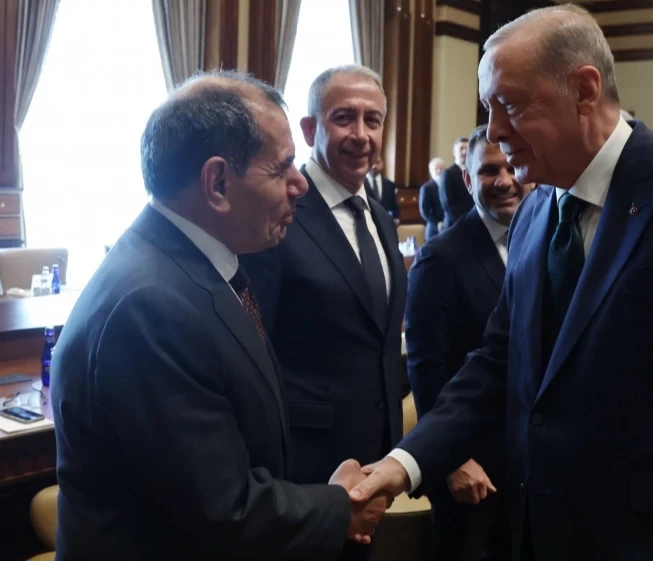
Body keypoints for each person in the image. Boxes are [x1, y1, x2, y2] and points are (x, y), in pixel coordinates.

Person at [350, 5, 653, 561]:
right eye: (488, 109)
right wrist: (402, 464)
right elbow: (498, 363)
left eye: (509, 105)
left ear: (584, 89)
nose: (494, 131)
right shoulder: (534, 213)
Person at [50, 70, 389, 561]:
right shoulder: (150, 306)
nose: (300, 183)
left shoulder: (193, 265)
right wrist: (339, 508)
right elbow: (222, 510)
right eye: (281, 168)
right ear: (218, 183)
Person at [239, 64, 407, 561]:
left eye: (373, 120)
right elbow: (253, 348)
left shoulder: (381, 217)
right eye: (344, 118)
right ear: (310, 128)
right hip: (302, 470)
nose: (361, 135)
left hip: (373, 461)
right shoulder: (278, 214)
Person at [405, 124, 525, 561]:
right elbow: (426, 368)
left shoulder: (543, 239)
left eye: (512, 167)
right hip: (472, 467)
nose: (504, 180)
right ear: (469, 179)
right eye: (490, 170)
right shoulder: (441, 258)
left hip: (529, 462)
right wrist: (449, 458)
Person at [439, 137, 473, 228]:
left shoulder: (473, 172)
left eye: (467, 148)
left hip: (471, 221)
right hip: (454, 224)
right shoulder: (448, 173)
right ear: (454, 152)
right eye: (461, 149)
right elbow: (447, 202)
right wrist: (461, 222)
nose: (465, 152)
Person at [365, 155, 400, 224]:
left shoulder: (389, 184)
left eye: (377, 163)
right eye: (371, 163)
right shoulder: (359, 184)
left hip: (384, 223)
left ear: (382, 164)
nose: (374, 166)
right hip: (366, 223)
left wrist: (396, 218)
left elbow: (394, 205)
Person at [420, 157, 446, 240]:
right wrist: (437, 223)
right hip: (434, 229)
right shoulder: (426, 188)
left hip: (449, 226)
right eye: (436, 169)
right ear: (431, 172)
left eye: (441, 168)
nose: (439, 171)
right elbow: (424, 211)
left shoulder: (449, 185)